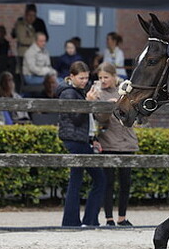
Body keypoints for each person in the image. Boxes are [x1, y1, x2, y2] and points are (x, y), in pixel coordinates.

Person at [56, 61, 106, 227]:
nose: (85, 81)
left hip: (81, 140)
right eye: (81, 78)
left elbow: (85, 122)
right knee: (96, 180)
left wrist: (92, 139)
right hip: (75, 140)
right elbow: (76, 119)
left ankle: (77, 221)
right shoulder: (69, 93)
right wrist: (88, 102)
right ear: (72, 77)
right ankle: (84, 220)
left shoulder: (76, 91)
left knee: (78, 181)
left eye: (86, 78)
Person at [92, 62, 138, 227]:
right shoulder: (97, 93)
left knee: (125, 183)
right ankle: (109, 218)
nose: (103, 80)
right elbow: (100, 118)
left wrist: (120, 101)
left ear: (113, 76)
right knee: (108, 182)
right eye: (100, 77)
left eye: (106, 77)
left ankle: (122, 217)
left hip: (127, 142)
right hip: (108, 142)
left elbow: (135, 113)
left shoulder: (125, 91)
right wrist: (109, 106)